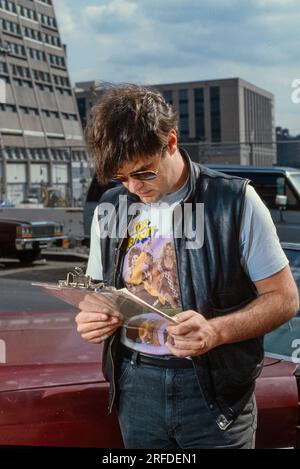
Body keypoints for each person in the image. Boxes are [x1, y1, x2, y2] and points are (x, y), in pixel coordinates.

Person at [75, 84, 299, 449]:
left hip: (214, 392)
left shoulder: (235, 200)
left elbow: (285, 299)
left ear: (172, 142)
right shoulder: (111, 207)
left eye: (144, 173)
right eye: (121, 178)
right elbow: (97, 294)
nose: (133, 188)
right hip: (135, 385)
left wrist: (215, 332)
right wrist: (90, 318)